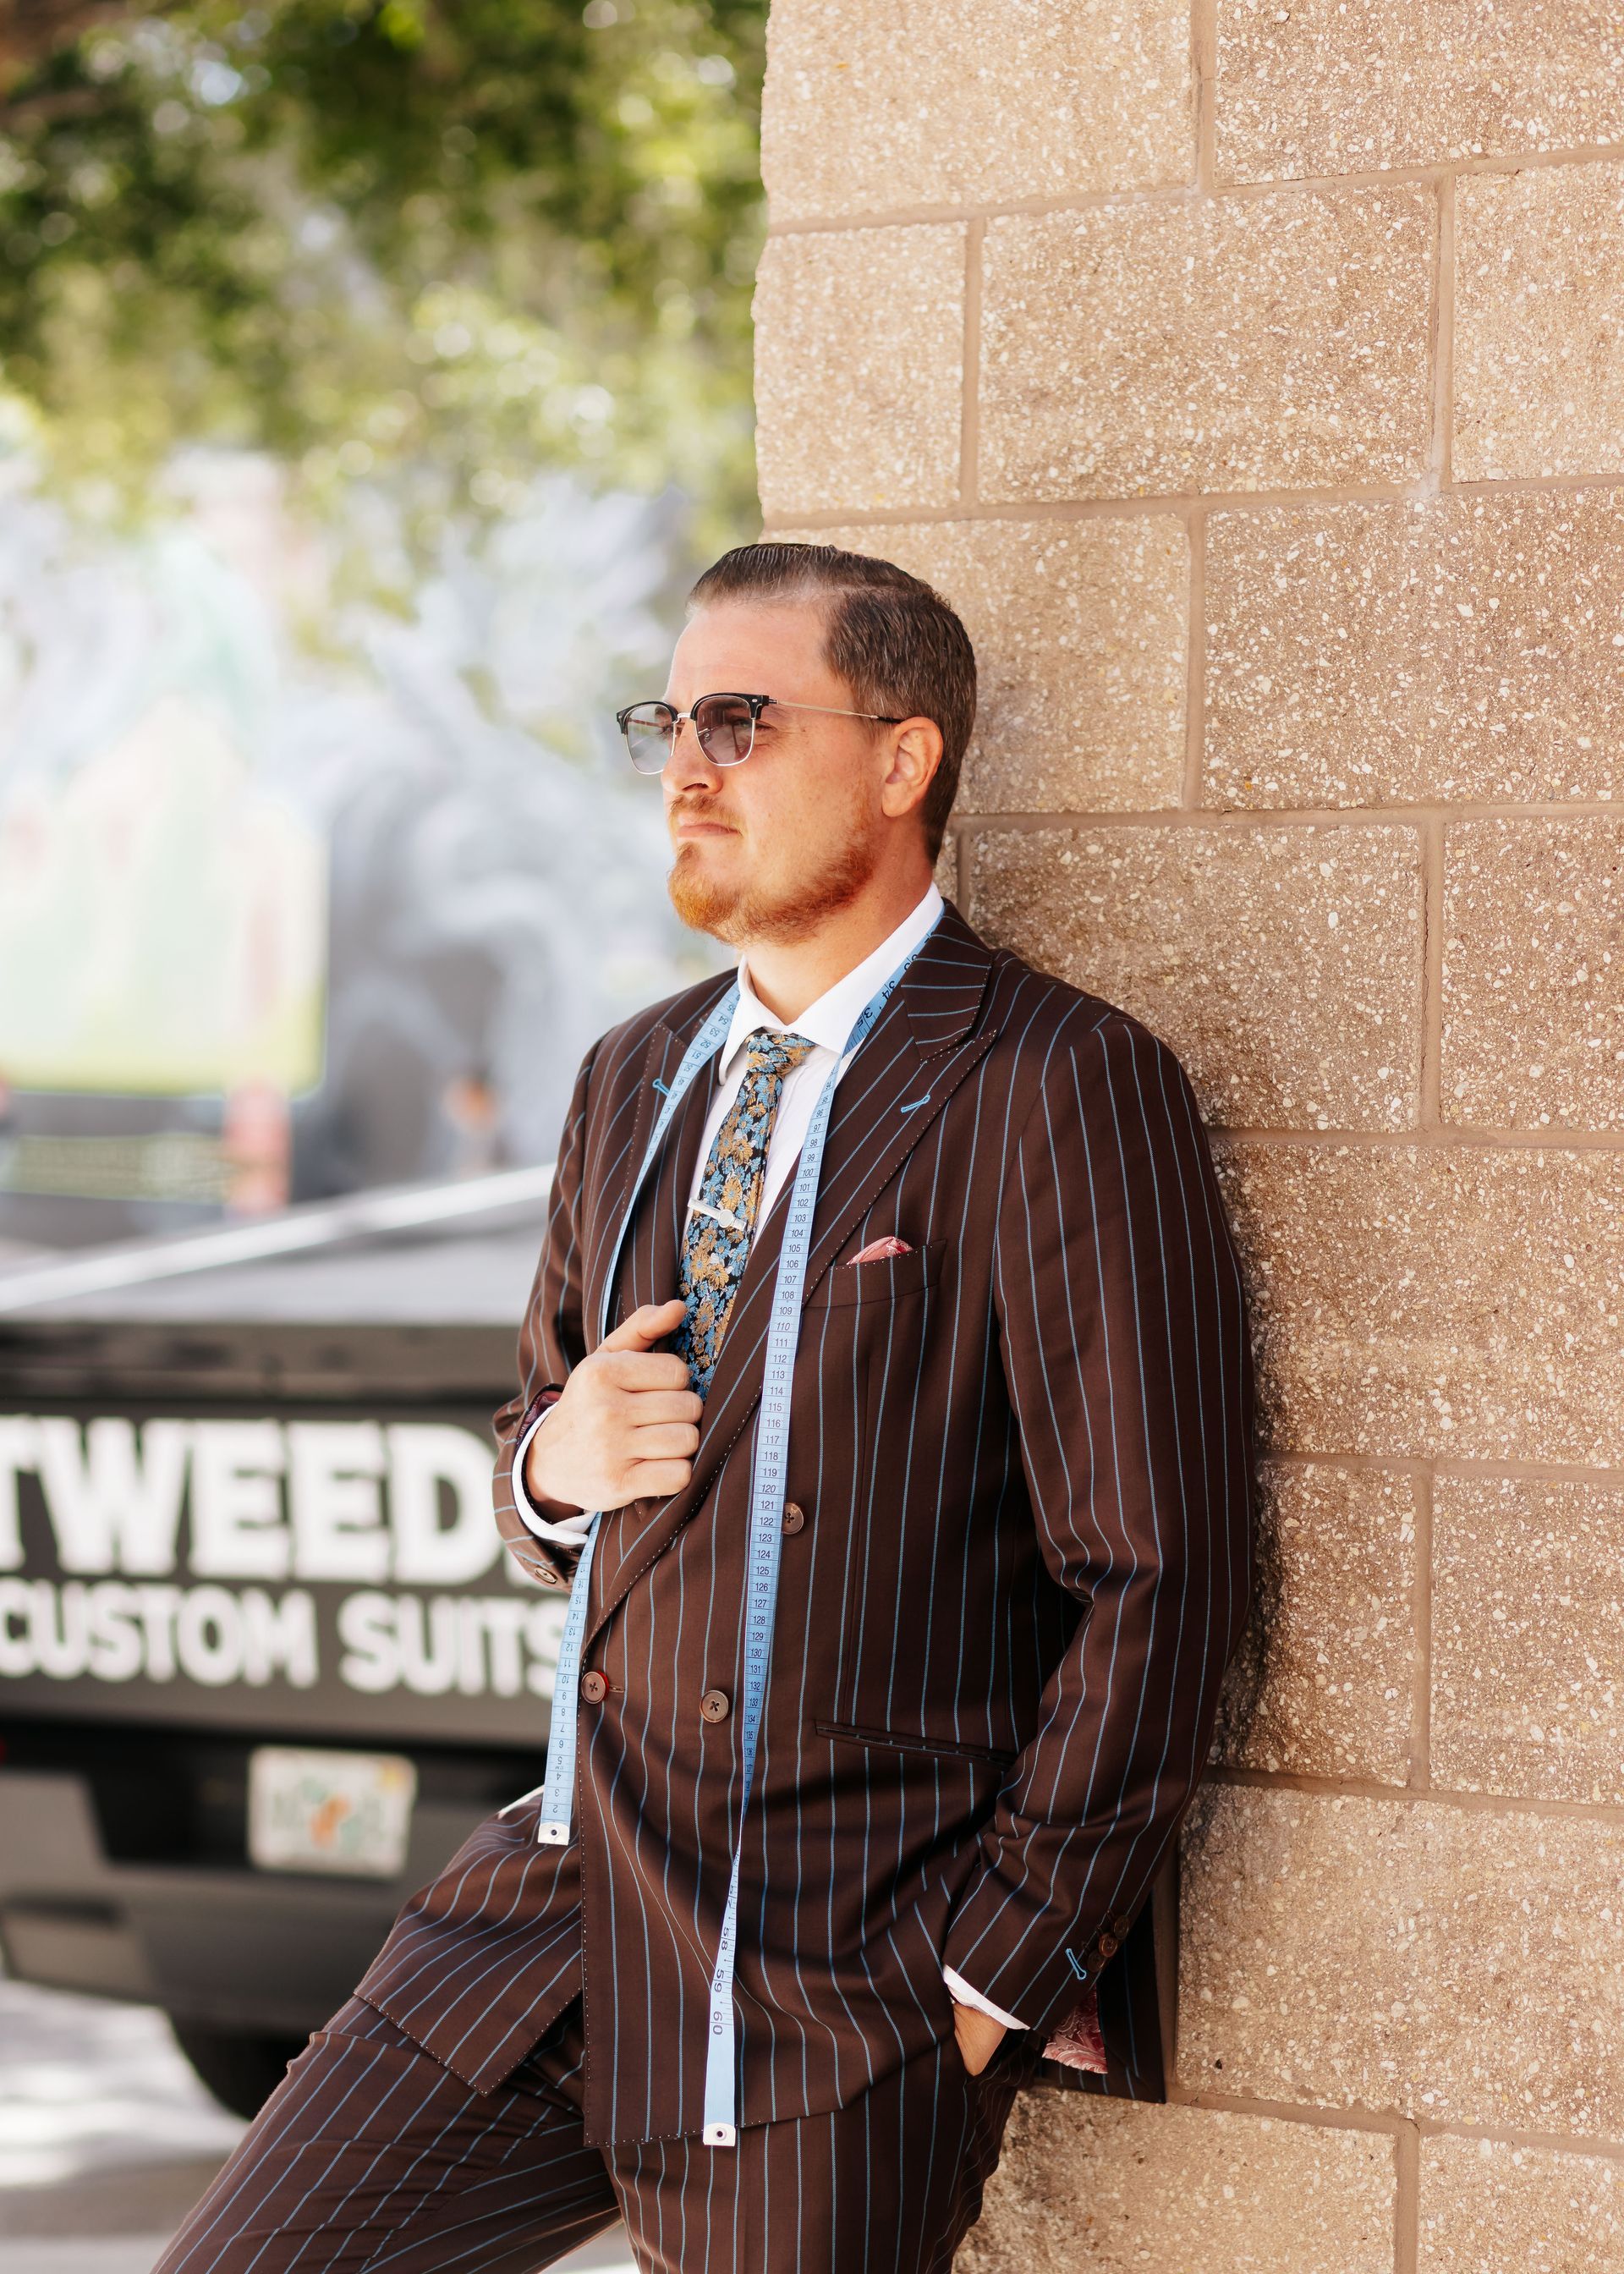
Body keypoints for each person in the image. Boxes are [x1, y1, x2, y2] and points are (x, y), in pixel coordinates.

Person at [156, 541, 1257, 2273]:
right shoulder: (634, 1076)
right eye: (666, 719)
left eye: (740, 720)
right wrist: (551, 1465)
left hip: (839, 1964)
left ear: (903, 761)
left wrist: (992, 1974)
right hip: (559, 1901)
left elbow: (1158, 1575)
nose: (686, 765)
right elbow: (534, 1448)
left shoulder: (1055, 1082)